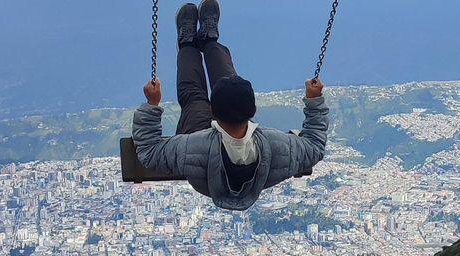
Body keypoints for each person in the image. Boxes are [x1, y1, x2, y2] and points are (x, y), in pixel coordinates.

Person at [132, 0, 330, 211]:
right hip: (207, 156)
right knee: (224, 88)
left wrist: (152, 104)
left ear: (214, 112)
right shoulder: (275, 146)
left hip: (200, 143)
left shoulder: (191, 147)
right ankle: (208, 41)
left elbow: (150, 152)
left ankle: (190, 44)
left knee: (196, 97)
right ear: (252, 112)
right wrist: (314, 100)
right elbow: (314, 147)